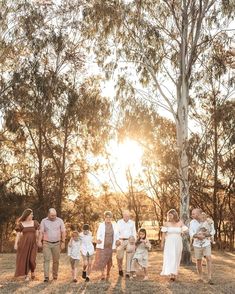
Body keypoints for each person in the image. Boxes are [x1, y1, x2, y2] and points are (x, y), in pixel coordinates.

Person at [38, 208, 66, 282]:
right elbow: (41, 232)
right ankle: (46, 277)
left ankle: (55, 276)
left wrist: (63, 242)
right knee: (46, 260)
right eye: (52, 215)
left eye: (55, 215)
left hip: (57, 243)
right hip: (46, 243)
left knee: (56, 261)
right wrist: (39, 241)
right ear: (48, 214)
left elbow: (63, 232)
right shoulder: (44, 221)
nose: (54, 217)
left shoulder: (60, 221)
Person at [160, 209, 188, 282]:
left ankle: (174, 273)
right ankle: (171, 273)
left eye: (170, 215)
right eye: (168, 215)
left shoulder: (180, 222)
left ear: (174, 215)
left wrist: (183, 232)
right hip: (169, 242)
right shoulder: (166, 223)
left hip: (178, 242)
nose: (169, 216)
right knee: (170, 257)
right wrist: (162, 243)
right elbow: (163, 234)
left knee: (176, 257)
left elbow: (186, 230)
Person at [189, 208, 214, 284]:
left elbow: (213, 231)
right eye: (192, 213)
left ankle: (209, 278)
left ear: (199, 213)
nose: (192, 215)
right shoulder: (192, 222)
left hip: (206, 243)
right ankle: (200, 277)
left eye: (193, 213)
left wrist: (207, 234)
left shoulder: (208, 221)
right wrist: (197, 236)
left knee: (208, 258)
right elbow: (191, 232)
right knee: (198, 260)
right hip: (196, 244)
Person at [14, 208, 39, 281]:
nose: (32, 215)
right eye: (31, 214)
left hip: (33, 244)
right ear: (27, 215)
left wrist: (38, 239)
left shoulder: (35, 222)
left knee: (32, 259)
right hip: (24, 244)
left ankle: (33, 271)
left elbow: (37, 233)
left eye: (32, 214)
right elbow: (18, 235)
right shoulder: (21, 224)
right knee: (25, 259)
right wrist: (16, 244)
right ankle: (27, 275)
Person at [92, 211, 118, 280]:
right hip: (103, 246)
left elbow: (116, 234)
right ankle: (102, 274)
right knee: (102, 260)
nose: (108, 218)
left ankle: (108, 273)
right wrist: (98, 239)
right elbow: (98, 234)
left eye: (109, 217)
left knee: (109, 260)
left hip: (110, 246)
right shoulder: (101, 225)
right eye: (107, 217)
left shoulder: (114, 225)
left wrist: (117, 240)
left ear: (111, 218)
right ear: (104, 217)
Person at [116, 210, 137, 277]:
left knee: (129, 256)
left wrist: (134, 242)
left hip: (129, 241)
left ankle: (128, 271)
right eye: (125, 215)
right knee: (120, 256)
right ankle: (120, 269)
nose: (127, 217)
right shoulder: (119, 222)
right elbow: (116, 232)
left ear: (129, 216)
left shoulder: (132, 223)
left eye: (128, 216)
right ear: (123, 215)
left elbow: (134, 232)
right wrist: (117, 240)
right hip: (121, 240)